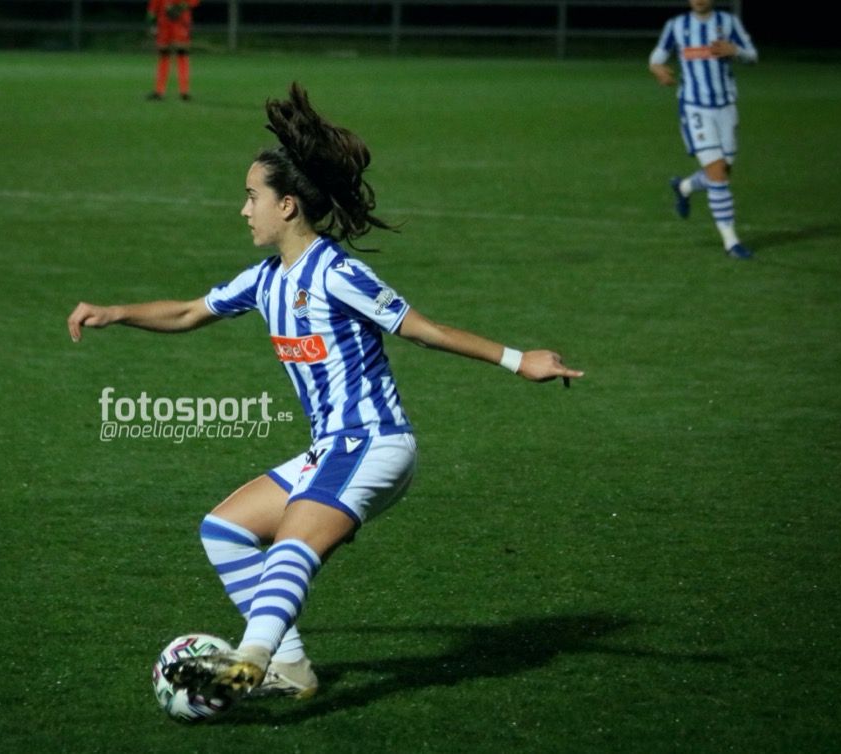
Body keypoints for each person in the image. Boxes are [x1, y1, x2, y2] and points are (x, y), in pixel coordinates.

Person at [67, 83, 583, 700]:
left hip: (372, 442)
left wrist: (519, 360)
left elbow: (423, 331)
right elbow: (186, 312)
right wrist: (114, 312)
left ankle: (250, 661)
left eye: (251, 197)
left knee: (292, 543)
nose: (244, 210)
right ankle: (291, 666)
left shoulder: (338, 274)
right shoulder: (266, 279)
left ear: (287, 206)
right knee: (224, 529)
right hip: (331, 447)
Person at [649, 0, 758, 260]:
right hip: (694, 108)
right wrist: (658, 69)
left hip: (726, 107)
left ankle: (684, 187)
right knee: (718, 174)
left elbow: (752, 56)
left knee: (723, 170)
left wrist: (735, 50)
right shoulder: (676, 25)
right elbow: (656, 57)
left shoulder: (728, 22)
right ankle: (731, 242)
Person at [146, 0, 200, 101]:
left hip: (180, 21)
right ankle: (161, 91)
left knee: (181, 53)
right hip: (165, 23)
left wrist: (180, 7)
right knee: (165, 54)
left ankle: (183, 91)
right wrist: (152, 24)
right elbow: (152, 7)